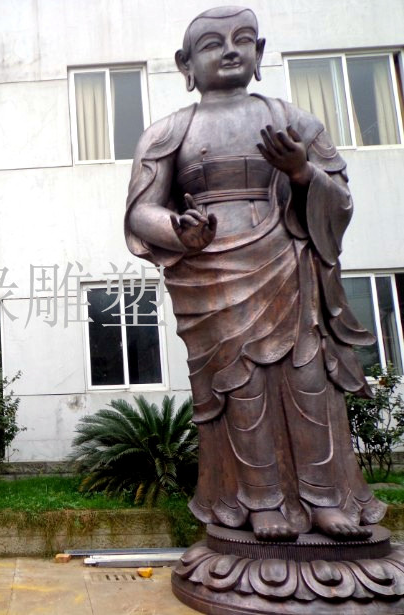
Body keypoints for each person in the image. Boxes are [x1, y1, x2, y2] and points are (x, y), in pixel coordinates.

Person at [125, 6, 385, 541]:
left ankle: (324, 499)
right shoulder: (169, 132)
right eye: (212, 44)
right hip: (213, 272)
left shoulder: (295, 122)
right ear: (185, 63)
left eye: (243, 40)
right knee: (240, 386)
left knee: (308, 380)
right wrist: (179, 231)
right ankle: (260, 500)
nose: (229, 50)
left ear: (260, 52)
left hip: (288, 264)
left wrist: (303, 172)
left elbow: (340, 200)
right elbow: (140, 211)